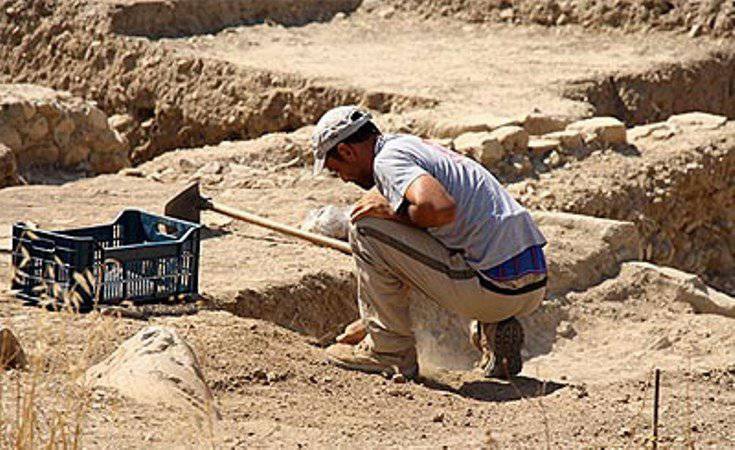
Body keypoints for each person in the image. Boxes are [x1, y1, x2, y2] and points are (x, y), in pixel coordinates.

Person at [311, 106, 548, 379]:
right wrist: (371, 320)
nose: (343, 178)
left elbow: (439, 209)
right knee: (431, 230)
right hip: (532, 284)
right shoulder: (411, 146)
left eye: (336, 169)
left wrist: (392, 210)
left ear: (346, 152)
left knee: (366, 226)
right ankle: (494, 329)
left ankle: (389, 353)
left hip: (493, 289)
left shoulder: (388, 160)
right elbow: (424, 247)